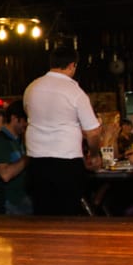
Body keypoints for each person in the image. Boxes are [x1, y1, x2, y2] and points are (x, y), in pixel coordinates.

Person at [23, 45, 102, 216]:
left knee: (42, 213)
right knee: (67, 213)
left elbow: (29, 115)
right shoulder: (75, 92)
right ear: (72, 65)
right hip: (67, 161)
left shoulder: (31, 89)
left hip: (37, 162)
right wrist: (94, 155)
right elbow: (93, 132)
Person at [0, 99, 31, 215]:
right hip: (11, 202)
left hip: (22, 198)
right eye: (24, 121)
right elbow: (5, 174)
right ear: (14, 119)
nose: (26, 124)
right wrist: (28, 157)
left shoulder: (17, 140)